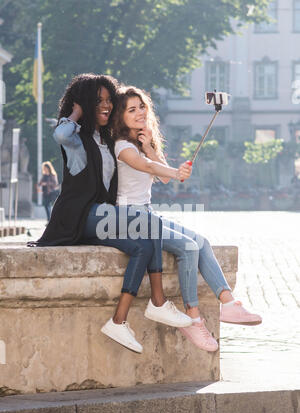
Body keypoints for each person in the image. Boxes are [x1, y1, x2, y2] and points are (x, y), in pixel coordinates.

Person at [27, 73, 193, 354]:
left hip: (102, 216)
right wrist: (77, 110)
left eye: (108, 100)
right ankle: (158, 301)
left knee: (141, 246)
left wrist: (148, 144)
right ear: (86, 104)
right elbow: (59, 134)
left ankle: (118, 321)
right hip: (79, 215)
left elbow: (145, 166)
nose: (104, 105)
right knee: (150, 223)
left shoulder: (108, 139)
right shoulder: (77, 140)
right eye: (98, 101)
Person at [111, 85, 262, 352]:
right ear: (120, 117)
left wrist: (150, 147)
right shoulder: (122, 146)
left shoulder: (140, 143)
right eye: (131, 110)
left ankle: (228, 304)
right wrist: (173, 170)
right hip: (128, 216)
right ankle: (193, 319)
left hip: (145, 213)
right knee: (188, 247)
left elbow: (164, 175)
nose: (139, 113)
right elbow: (148, 167)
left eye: (142, 107)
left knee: (201, 241)